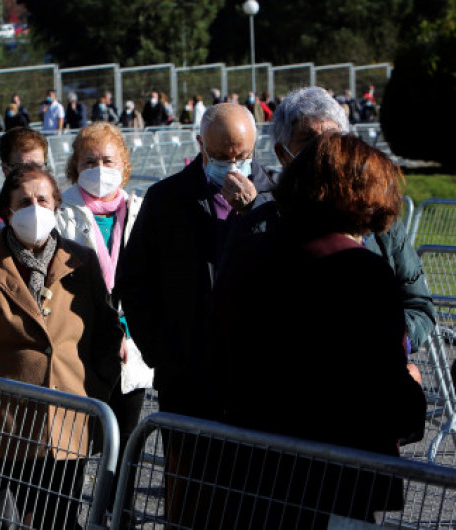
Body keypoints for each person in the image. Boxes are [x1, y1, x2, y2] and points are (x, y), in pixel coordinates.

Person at [214, 132, 427, 527]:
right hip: (335, 478)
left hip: (253, 470)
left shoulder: (251, 250)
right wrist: (412, 387)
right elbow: (385, 398)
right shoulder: (361, 270)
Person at [115, 101, 275, 528]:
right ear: (200, 144)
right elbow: (134, 281)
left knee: (254, 503)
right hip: (188, 382)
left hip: (255, 385)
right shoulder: (168, 198)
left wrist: (256, 210)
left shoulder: (277, 199)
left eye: (240, 154)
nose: (232, 164)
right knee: (191, 502)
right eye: (221, 155)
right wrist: (163, 353)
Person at [0, 162, 122, 530]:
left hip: (71, 418)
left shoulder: (81, 260)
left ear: (57, 205)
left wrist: (97, 389)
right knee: (13, 517)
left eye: (43, 199)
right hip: (10, 425)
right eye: (24, 201)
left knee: (60, 518)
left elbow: (106, 332)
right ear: (7, 211)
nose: (35, 208)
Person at [233, 86, 436, 356]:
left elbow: (419, 305)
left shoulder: (378, 220)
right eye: (308, 141)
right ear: (283, 155)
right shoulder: (258, 230)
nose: (323, 152)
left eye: (332, 137)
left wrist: (393, 342)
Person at [54, 122, 153, 515]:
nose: (99, 168)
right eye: (89, 160)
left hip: (132, 349)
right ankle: (65, 518)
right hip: (80, 347)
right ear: (74, 166)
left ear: (124, 165)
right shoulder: (61, 212)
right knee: (74, 442)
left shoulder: (142, 211)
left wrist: (133, 331)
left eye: (108, 160)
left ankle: (117, 518)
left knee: (126, 445)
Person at [0, 126, 49, 251]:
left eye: (38, 167)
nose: (32, 174)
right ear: (5, 169)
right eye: (22, 167)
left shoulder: (55, 211)